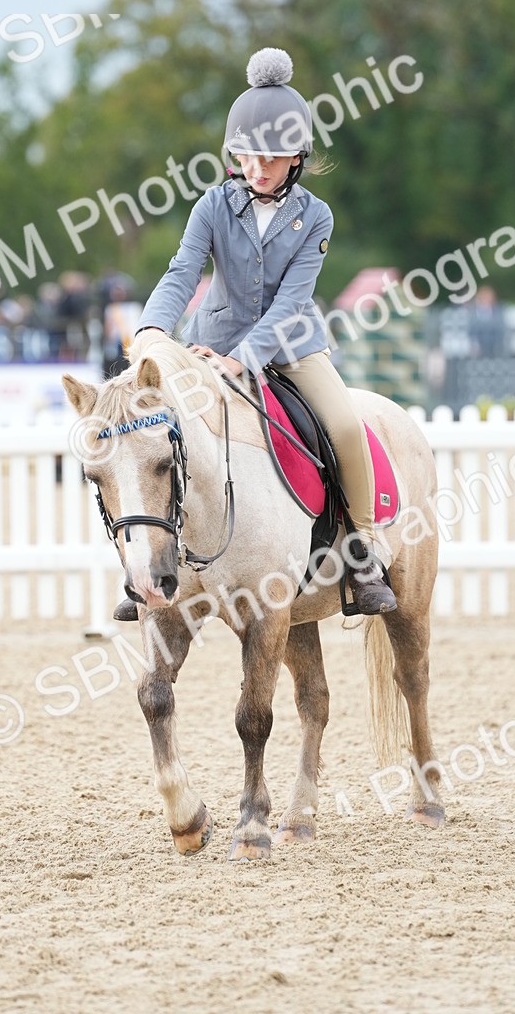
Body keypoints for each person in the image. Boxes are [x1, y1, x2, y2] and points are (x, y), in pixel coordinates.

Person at [111, 47, 396, 622]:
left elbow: (292, 302)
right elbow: (181, 272)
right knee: (157, 437)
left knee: (343, 424)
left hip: (289, 348)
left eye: (271, 156)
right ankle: (147, 563)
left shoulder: (316, 216)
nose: (257, 166)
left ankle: (363, 550)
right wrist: (150, 332)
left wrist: (243, 360)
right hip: (207, 344)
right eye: (246, 154)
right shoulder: (212, 206)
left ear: (297, 156)